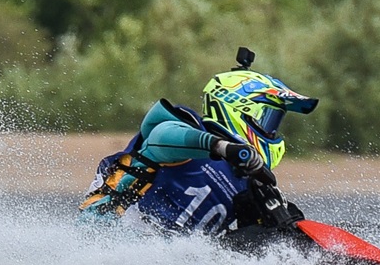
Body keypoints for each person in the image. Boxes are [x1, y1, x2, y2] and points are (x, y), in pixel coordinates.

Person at [79, 47, 317, 234]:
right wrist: (222, 147)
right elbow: (160, 138)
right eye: (268, 119)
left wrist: (280, 220)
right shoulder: (186, 125)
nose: (271, 131)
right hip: (109, 233)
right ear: (239, 108)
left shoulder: (246, 184)